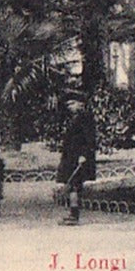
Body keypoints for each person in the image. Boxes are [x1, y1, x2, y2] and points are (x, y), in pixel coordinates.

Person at [55, 96, 96, 225]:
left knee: (75, 185)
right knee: (72, 185)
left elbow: (89, 139)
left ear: (80, 104)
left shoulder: (85, 118)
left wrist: (84, 155)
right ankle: (73, 213)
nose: (69, 106)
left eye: (72, 103)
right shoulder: (75, 118)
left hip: (78, 157)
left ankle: (75, 215)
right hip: (71, 157)